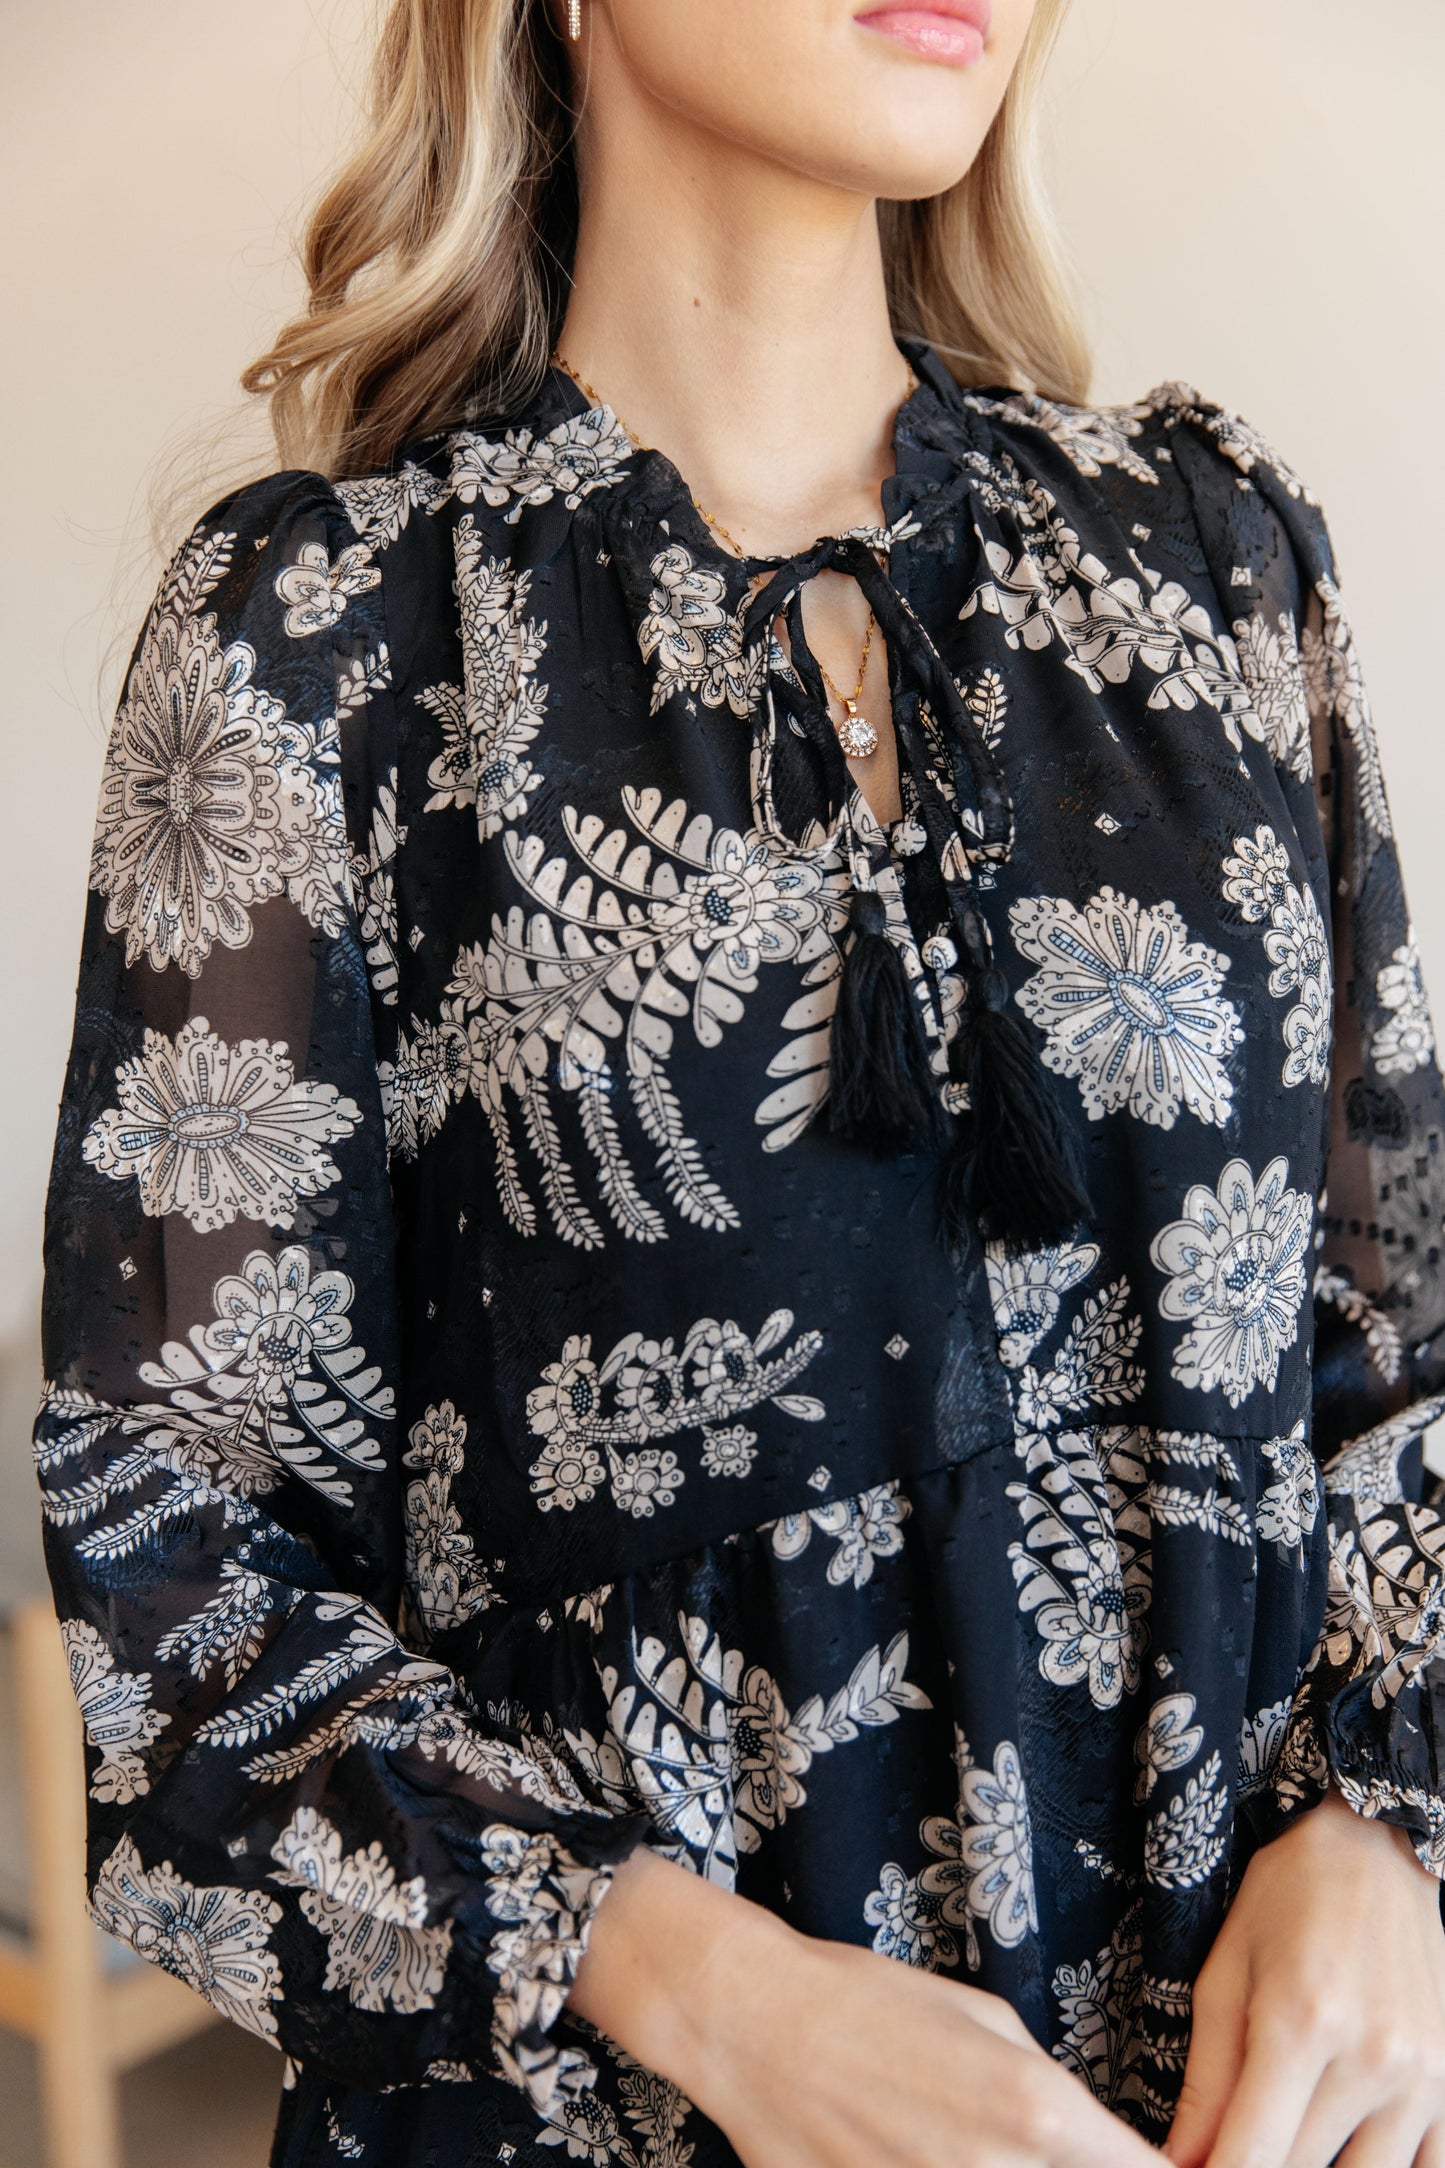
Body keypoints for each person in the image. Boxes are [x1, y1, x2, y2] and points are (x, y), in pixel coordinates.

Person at [32, 0, 1445, 2161]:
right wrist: (716, 2002)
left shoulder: (1213, 559)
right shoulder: (325, 643)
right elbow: (177, 1575)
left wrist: (1384, 1823)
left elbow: (1403, 1343)